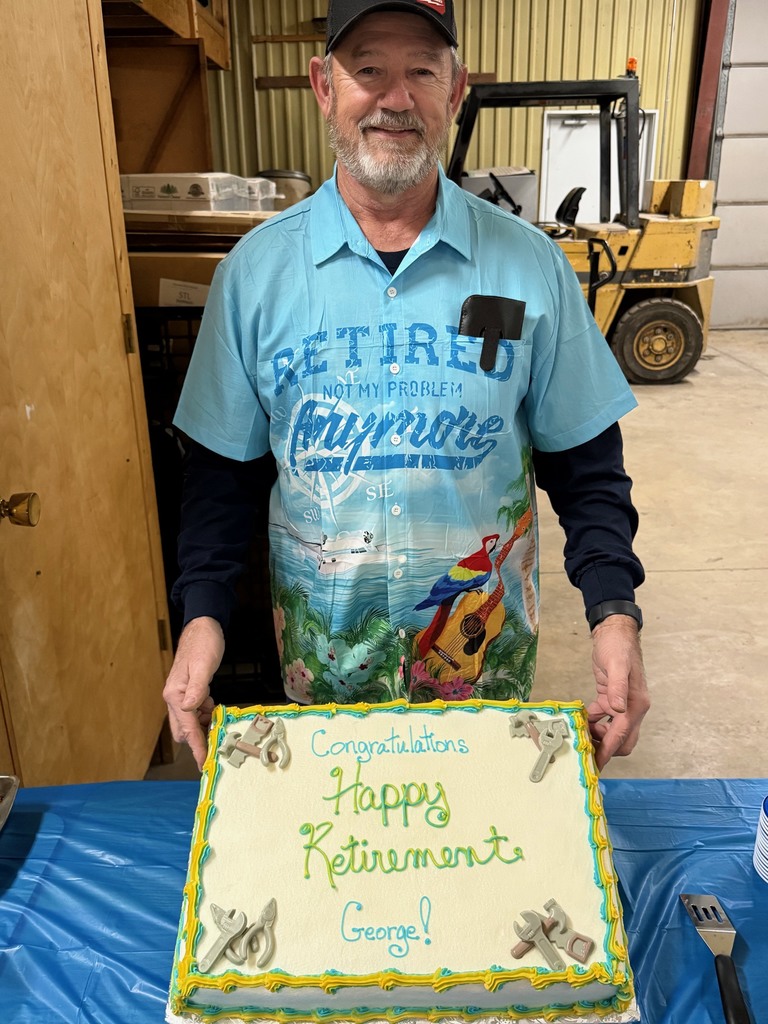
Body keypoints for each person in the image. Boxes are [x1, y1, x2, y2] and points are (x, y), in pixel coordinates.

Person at [163, 0, 650, 772]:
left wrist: (614, 612)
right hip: (324, 686)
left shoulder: (532, 268)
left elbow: (586, 466)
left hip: (481, 683)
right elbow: (224, 475)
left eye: (421, 71)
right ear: (324, 87)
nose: (396, 99)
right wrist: (202, 621)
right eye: (368, 71)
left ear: (455, 92)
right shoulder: (254, 276)